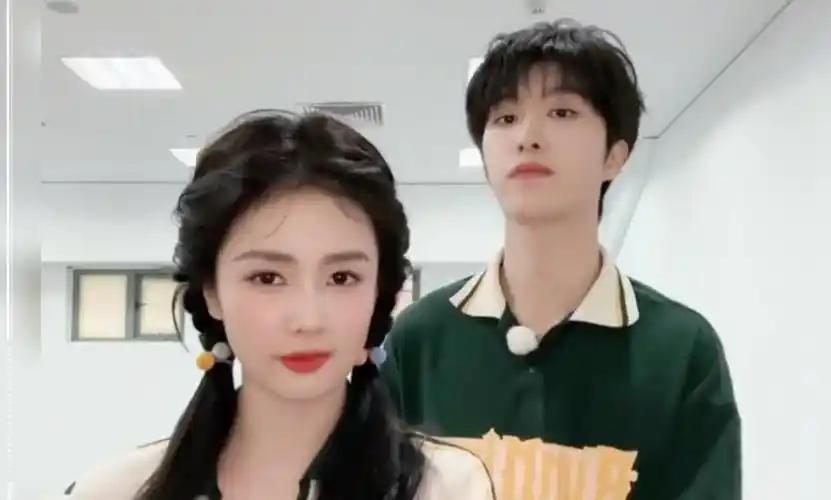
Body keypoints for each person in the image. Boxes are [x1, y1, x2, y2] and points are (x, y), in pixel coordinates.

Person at [381, 19, 741, 499]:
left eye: (563, 112)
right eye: (505, 118)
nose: (528, 136)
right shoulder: (421, 339)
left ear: (615, 155)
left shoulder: (680, 350)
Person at [68, 111, 493, 500]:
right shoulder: (115, 491)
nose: (308, 319)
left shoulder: (447, 488)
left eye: (341, 278)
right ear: (211, 290)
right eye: (267, 278)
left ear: (380, 292)